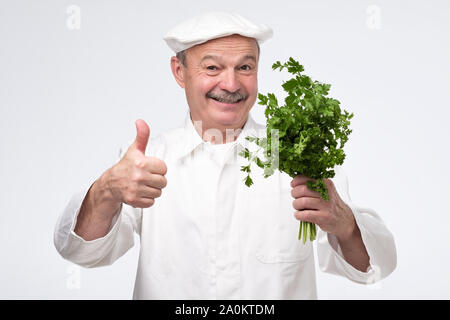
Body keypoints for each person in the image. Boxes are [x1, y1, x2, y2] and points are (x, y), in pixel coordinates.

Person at [54, 11, 396, 299]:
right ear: (179, 71)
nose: (231, 84)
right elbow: (81, 252)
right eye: (213, 68)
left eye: (245, 68)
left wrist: (345, 224)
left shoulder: (298, 156)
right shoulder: (148, 161)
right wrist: (106, 191)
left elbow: (372, 268)